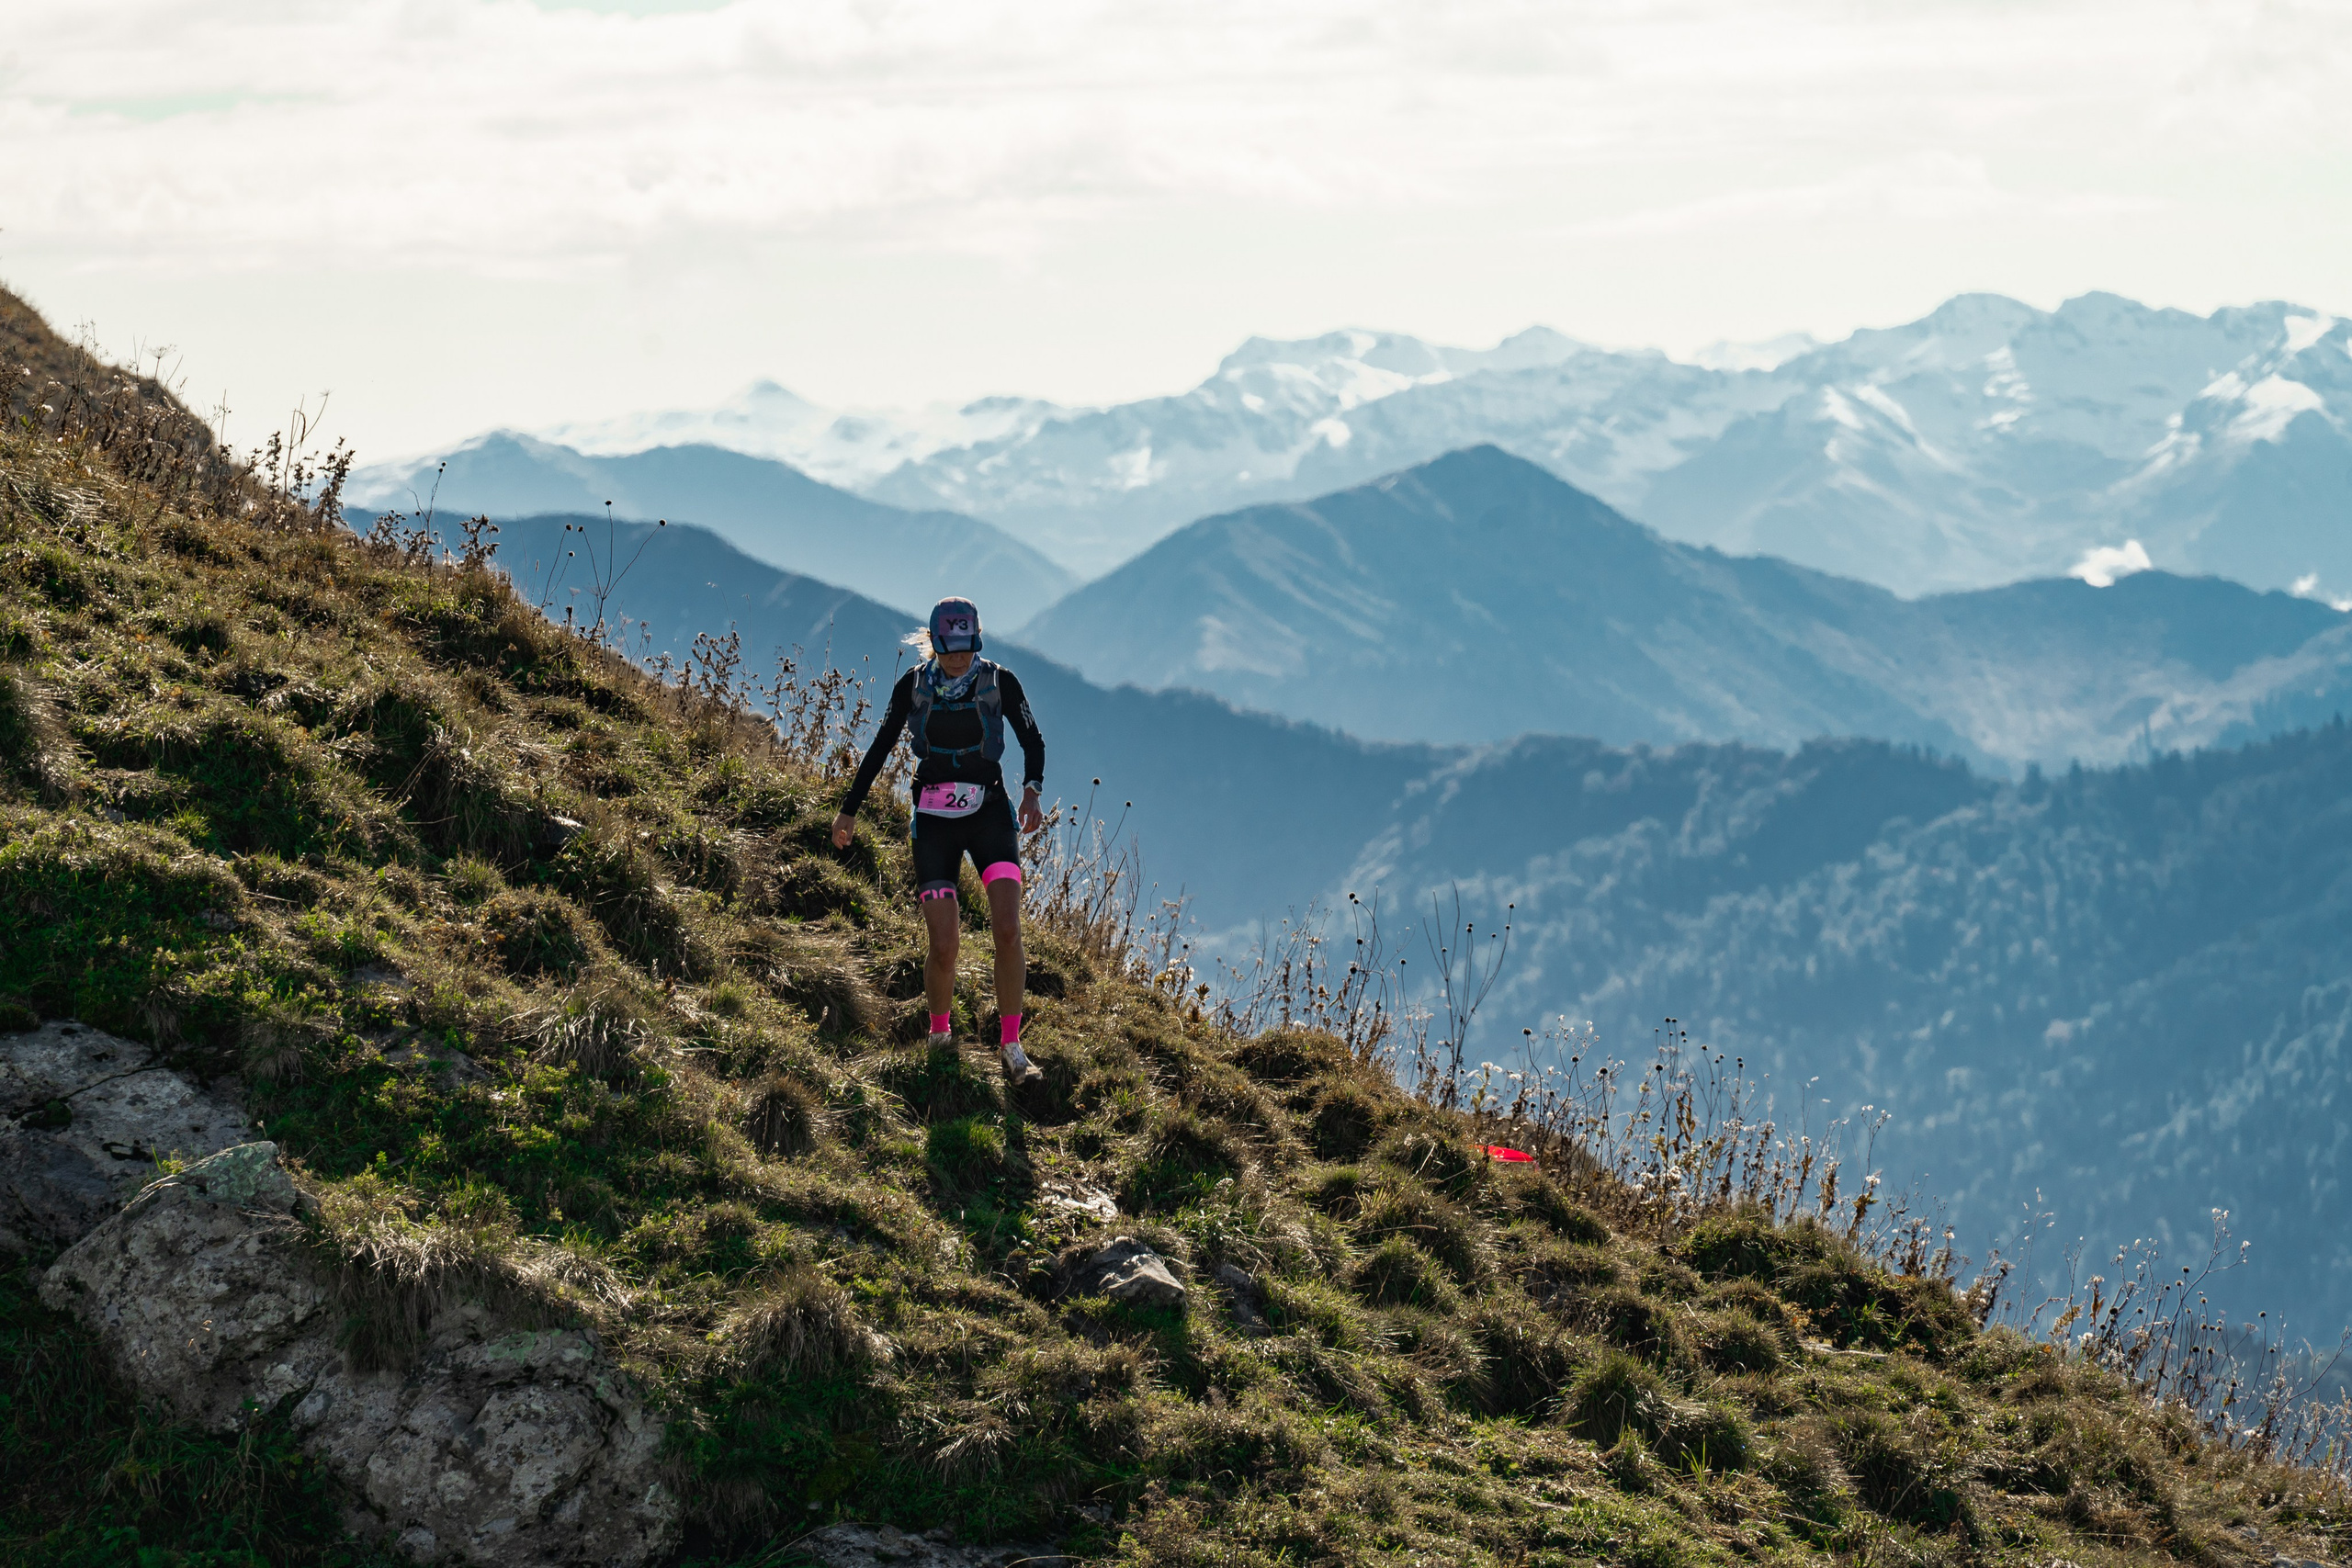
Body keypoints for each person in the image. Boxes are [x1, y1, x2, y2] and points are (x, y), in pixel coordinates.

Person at [833, 596, 1047, 1084]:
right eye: (949, 649)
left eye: (966, 648)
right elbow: (882, 744)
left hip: (991, 813)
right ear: (933, 644)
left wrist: (1032, 792)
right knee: (945, 944)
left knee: (1008, 930)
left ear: (977, 641)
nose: (958, 658)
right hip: (933, 820)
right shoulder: (913, 687)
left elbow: (1033, 741)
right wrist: (848, 810)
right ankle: (939, 1036)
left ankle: (1012, 1048)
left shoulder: (1000, 682)